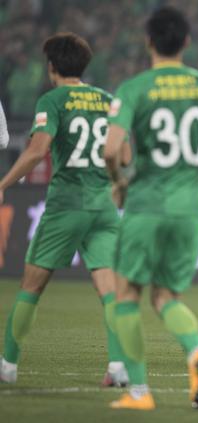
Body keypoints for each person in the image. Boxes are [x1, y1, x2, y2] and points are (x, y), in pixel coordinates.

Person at [103, 6, 198, 410]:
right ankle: (196, 351)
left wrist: (119, 182)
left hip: (146, 203)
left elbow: (112, 148)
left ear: (148, 41)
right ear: (186, 42)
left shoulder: (134, 88)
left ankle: (140, 393)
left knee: (126, 292)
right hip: (189, 209)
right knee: (167, 297)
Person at [0, 33, 130, 386]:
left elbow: (35, 150)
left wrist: (3, 184)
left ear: (52, 67)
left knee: (31, 286)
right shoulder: (107, 99)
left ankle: (8, 366)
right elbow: (126, 155)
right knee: (109, 290)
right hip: (103, 206)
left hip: (66, 204)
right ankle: (118, 366)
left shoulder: (52, 99)